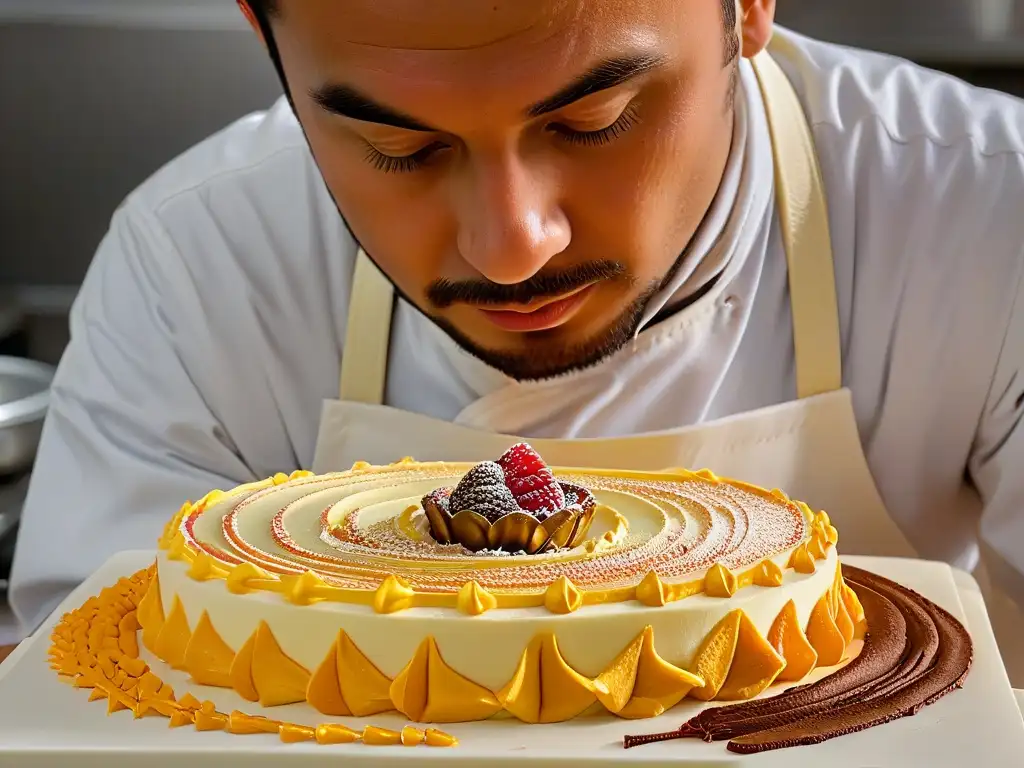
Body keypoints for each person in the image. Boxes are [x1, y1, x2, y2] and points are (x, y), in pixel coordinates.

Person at [5, 0, 1023, 686]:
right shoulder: (197, 267)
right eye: (399, 149)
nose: (510, 249)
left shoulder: (979, 211)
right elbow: (97, 696)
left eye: (596, 119)